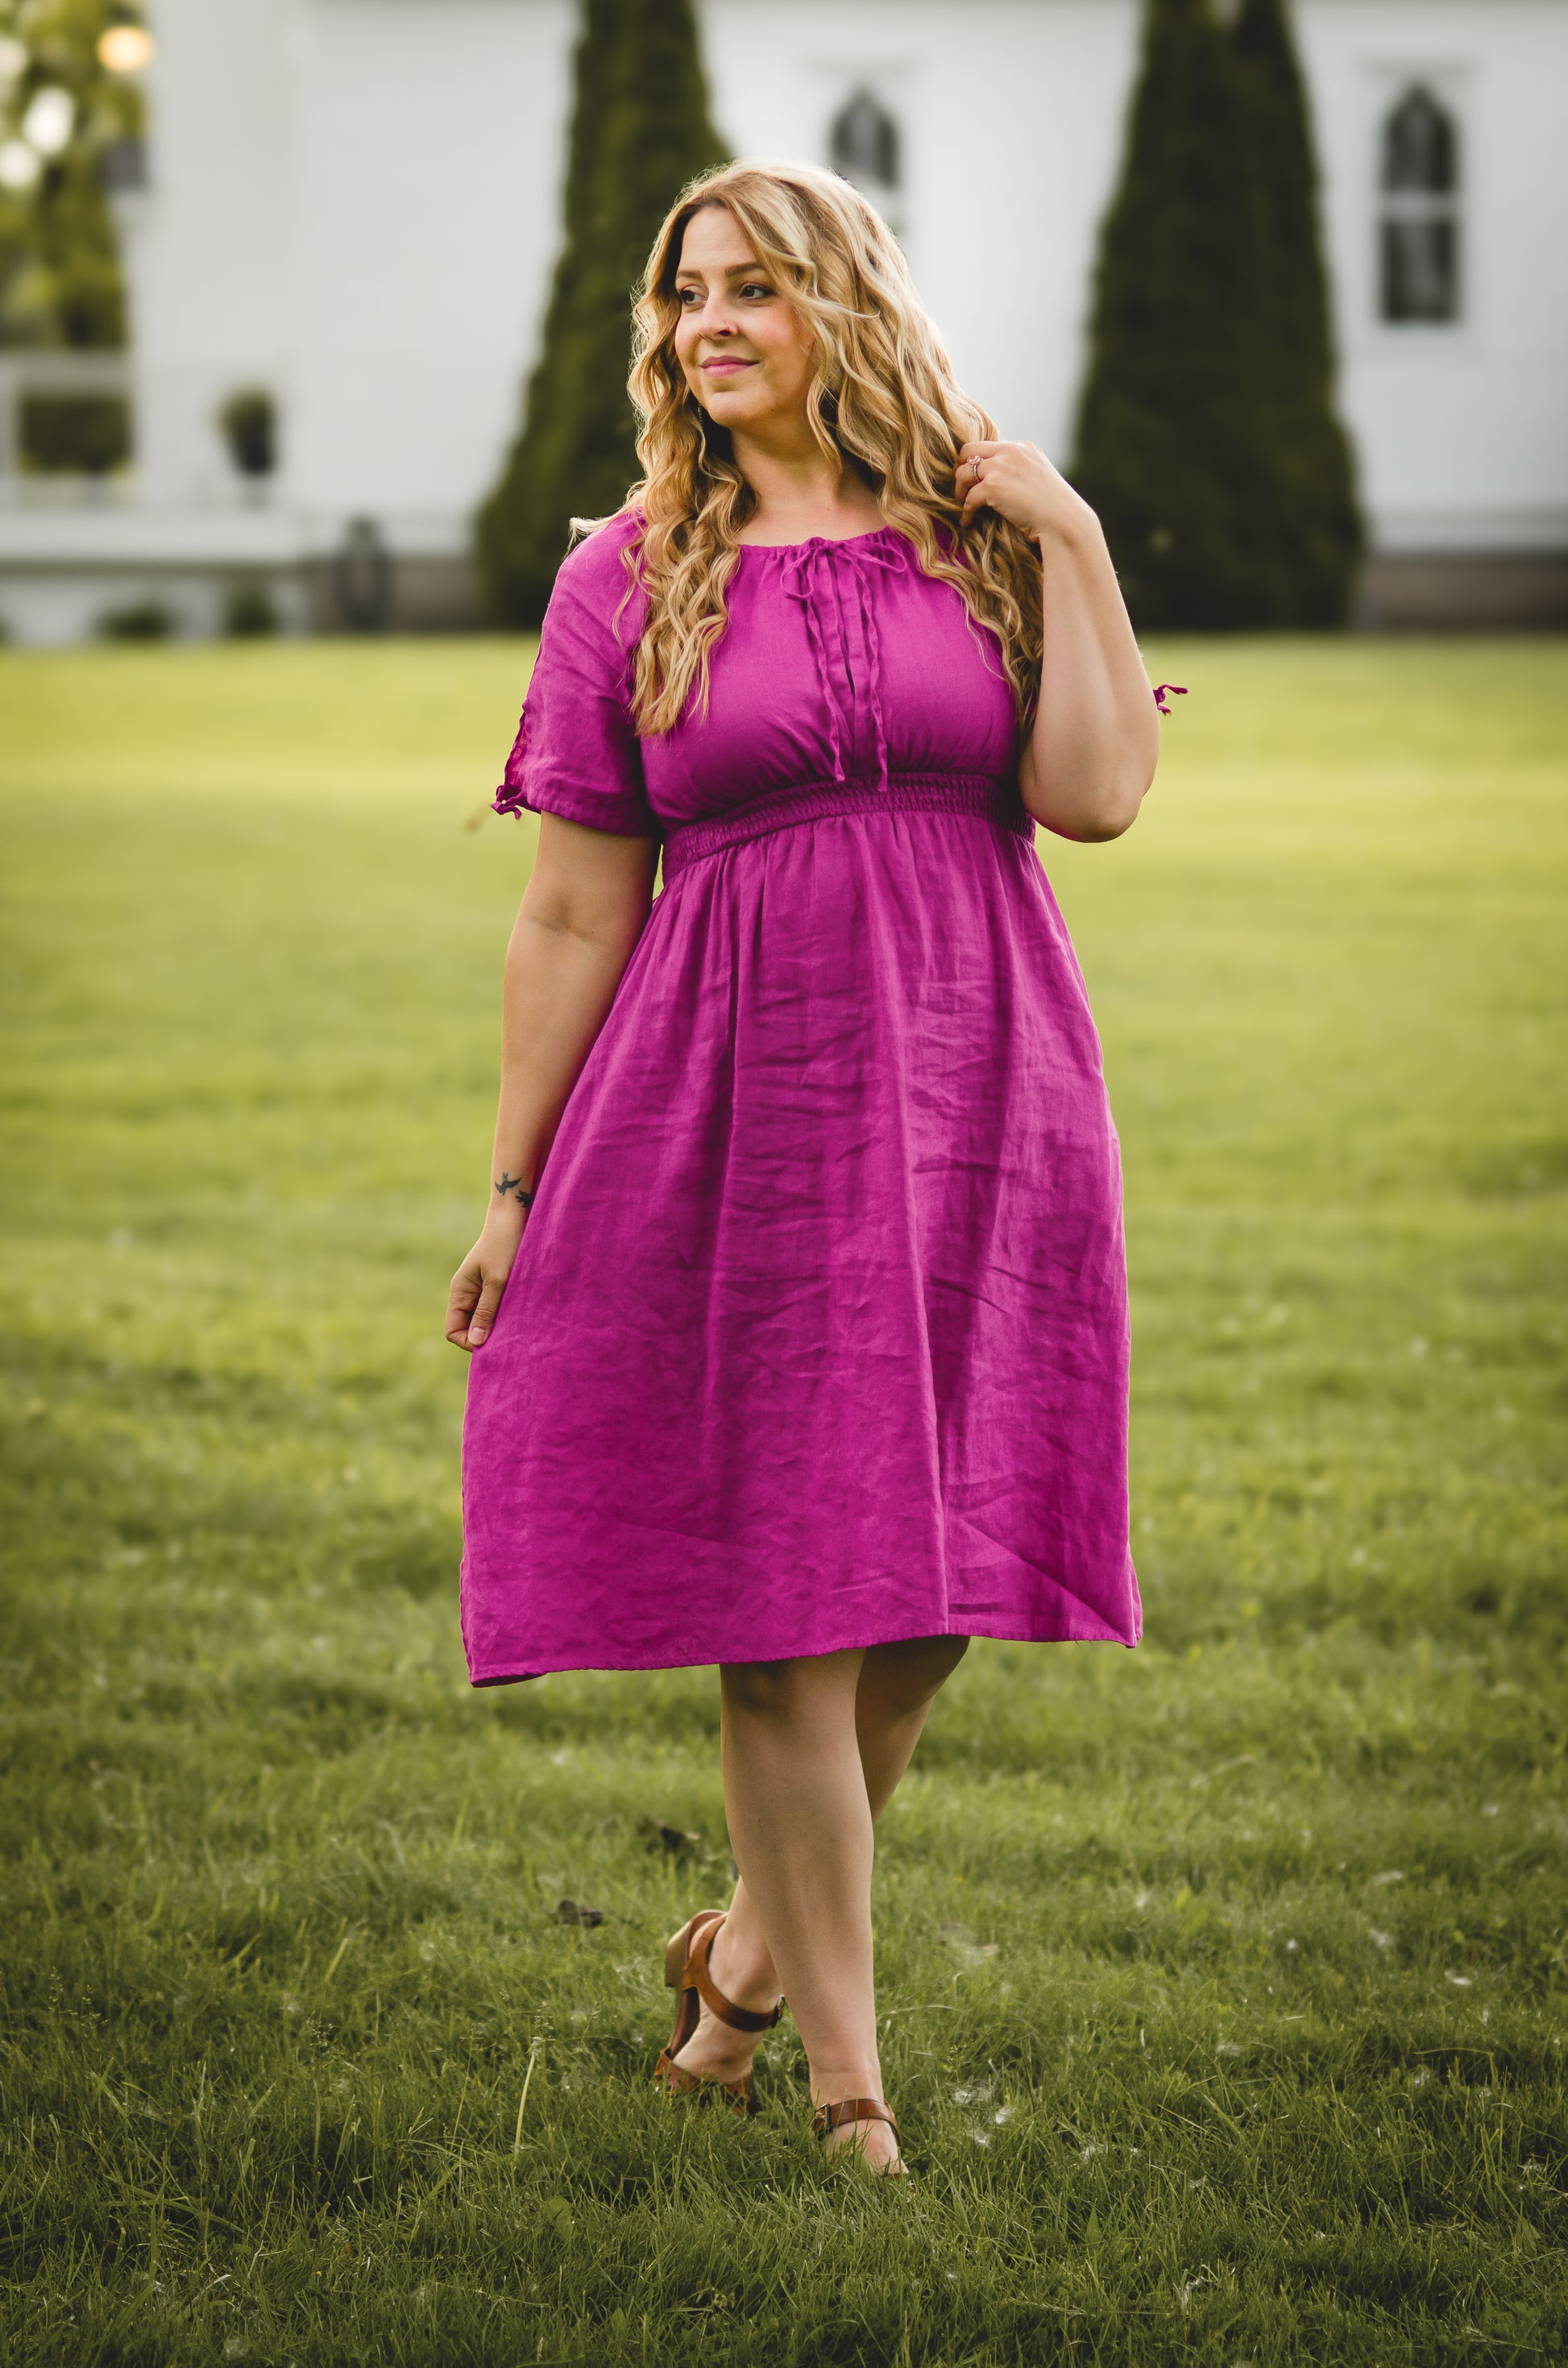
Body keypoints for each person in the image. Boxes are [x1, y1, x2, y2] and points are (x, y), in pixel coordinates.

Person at [446, 160, 1160, 2175]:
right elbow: (576, 910)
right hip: (738, 1107)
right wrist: (511, 1183)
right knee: (794, 1596)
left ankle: (735, 1968)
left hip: (985, 1080)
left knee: (928, 1599)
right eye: (689, 295)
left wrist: (1080, 543)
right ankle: (847, 2091)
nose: (715, 325)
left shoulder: (980, 534)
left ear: (846, 302)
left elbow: (1094, 795)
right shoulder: (629, 572)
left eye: (758, 288)